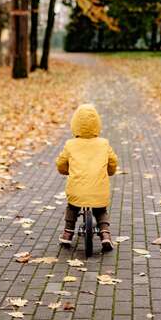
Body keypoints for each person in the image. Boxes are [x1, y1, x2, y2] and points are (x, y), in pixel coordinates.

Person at [56, 104, 118, 252]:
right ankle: (105, 234)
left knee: (72, 207)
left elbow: (61, 163)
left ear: (75, 124)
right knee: (100, 210)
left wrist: (66, 171)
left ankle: (67, 233)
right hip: (98, 190)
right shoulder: (104, 144)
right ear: (97, 124)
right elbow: (113, 162)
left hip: (76, 190)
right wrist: (109, 171)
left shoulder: (70, 144)